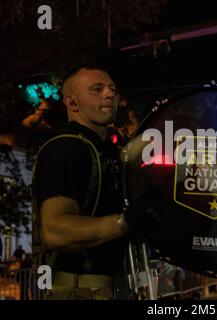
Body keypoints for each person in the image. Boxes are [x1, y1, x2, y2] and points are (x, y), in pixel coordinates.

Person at [32, 64, 131, 300]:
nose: (109, 94)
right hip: (79, 291)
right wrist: (129, 221)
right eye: (97, 89)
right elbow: (56, 231)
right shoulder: (65, 146)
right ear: (72, 103)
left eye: (111, 89)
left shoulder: (104, 150)